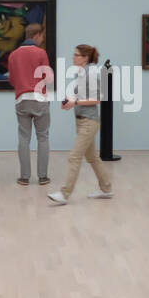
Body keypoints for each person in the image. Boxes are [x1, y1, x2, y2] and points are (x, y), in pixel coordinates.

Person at [48, 45, 113, 205]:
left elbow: (98, 99)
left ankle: (64, 194)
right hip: (82, 120)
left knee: (74, 157)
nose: (73, 57)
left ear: (85, 58)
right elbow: (81, 95)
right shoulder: (82, 74)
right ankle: (106, 188)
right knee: (92, 157)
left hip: (88, 123)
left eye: (77, 55)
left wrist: (75, 101)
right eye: (74, 54)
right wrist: (70, 102)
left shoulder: (90, 74)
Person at [8, 22, 51, 186]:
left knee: (24, 137)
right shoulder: (41, 53)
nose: (42, 40)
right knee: (43, 136)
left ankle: (24, 177)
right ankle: (43, 176)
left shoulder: (13, 55)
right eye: (42, 37)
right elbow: (47, 78)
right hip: (40, 99)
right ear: (37, 35)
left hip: (21, 99)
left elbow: (12, 80)